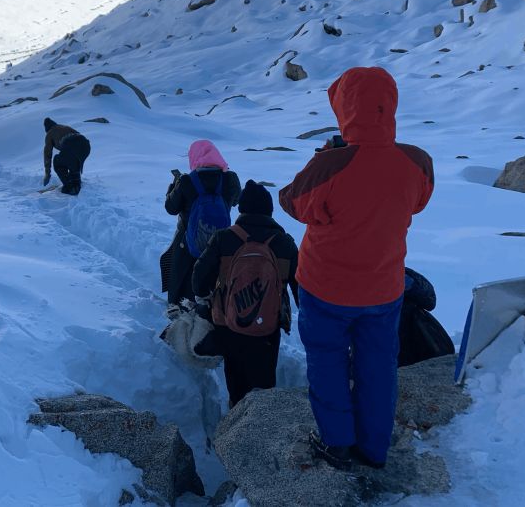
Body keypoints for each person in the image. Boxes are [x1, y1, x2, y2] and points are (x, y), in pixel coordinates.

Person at [279, 67, 434, 470]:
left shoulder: (330, 166)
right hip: (384, 288)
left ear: (344, 108)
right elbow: (417, 201)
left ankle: (336, 443)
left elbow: (293, 203)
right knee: (379, 366)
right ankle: (374, 448)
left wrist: (327, 159)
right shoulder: (417, 162)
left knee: (327, 362)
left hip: (325, 287)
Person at [192, 180, 299, 407]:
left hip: (229, 324)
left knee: (236, 380)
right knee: (263, 382)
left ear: (242, 209)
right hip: (267, 328)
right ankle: (260, 424)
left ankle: (235, 424)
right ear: (269, 210)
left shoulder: (223, 238)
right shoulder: (285, 243)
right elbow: (303, 290)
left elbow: (198, 282)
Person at [160, 140, 241, 306]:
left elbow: (171, 208)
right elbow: (236, 201)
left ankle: (181, 314)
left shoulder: (187, 181)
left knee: (182, 279)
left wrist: (173, 187)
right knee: (214, 278)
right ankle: (215, 311)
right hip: (220, 241)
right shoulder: (230, 179)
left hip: (187, 241)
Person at [42, 118, 90, 195]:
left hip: (70, 145)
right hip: (85, 145)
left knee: (57, 162)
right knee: (72, 162)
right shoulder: (65, 127)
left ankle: (69, 187)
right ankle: (76, 184)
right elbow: (79, 138)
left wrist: (47, 174)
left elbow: (47, 153)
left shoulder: (49, 133)